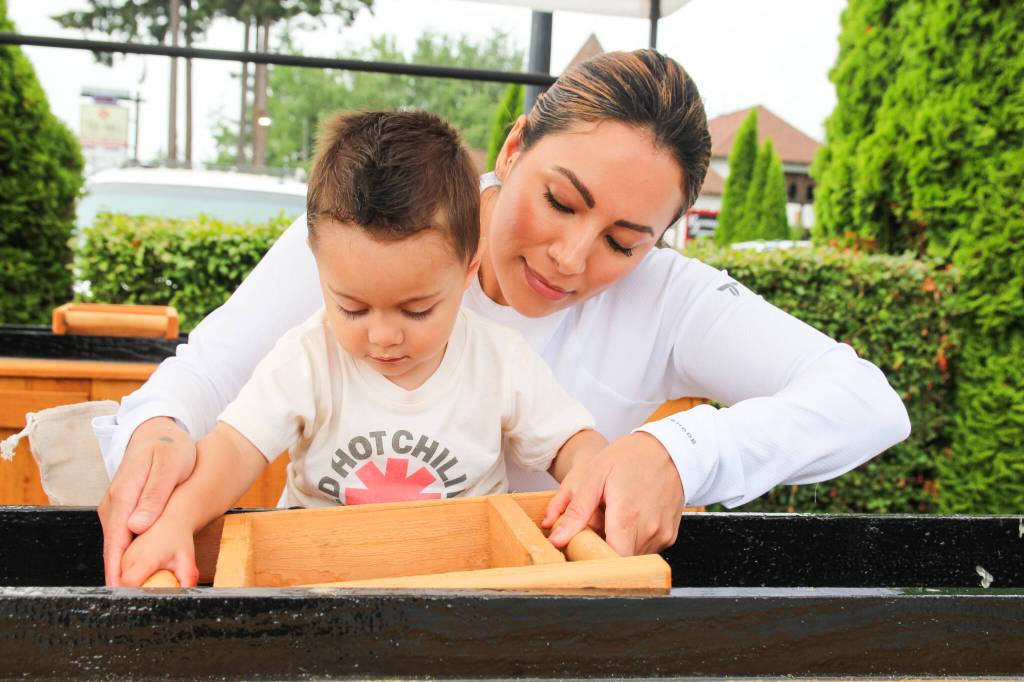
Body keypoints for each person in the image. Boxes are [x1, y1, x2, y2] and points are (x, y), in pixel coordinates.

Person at [95, 49, 911, 587]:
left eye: (625, 241)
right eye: (560, 200)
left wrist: (681, 451)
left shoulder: (669, 297)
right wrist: (161, 437)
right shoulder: (382, 234)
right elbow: (208, 378)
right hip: (328, 585)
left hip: (501, 612)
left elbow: (866, 402)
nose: (570, 257)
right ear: (515, 147)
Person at [117, 110, 606, 587]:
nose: (383, 336)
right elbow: (232, 450)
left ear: (468, 266)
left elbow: (572, 443)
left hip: (463, 587)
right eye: (352, 308)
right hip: (316, 585)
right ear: (318, 266)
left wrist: (598, 482)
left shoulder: (501, 360)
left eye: (416, 311)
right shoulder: (308, 357)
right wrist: (177, 520)